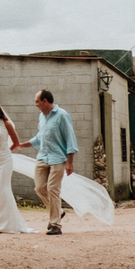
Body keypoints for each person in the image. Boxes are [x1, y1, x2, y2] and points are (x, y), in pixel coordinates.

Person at [15, 89, 78, 235]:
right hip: (42, 157)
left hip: (58, 158)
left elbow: (70, 139)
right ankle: (59, 211)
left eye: (37, 101)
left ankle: (55, 225)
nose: (35, 104)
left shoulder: (62, 115)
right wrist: (21, 145)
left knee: (52, 189)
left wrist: (70, 162)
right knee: (39, 188)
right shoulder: (42, 117)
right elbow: (39, 138)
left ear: (44, 101)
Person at [0, 100, 32, 234]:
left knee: (1, 189)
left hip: (4, 160)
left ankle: (2, 225)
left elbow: (16, 143)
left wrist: (5, 150)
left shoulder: (7, 124)